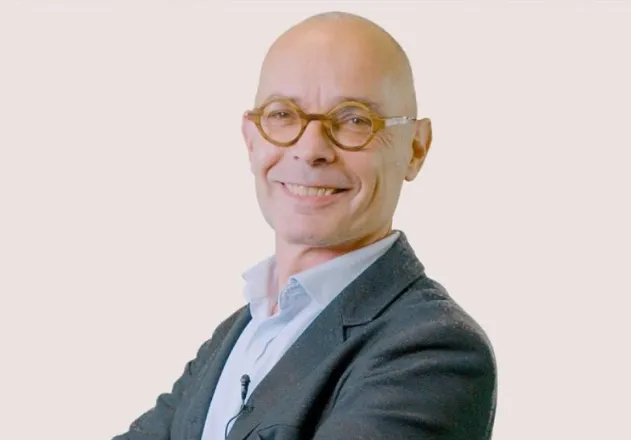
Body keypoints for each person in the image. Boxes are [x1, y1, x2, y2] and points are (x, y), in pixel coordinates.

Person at [113, 11, 497, 440]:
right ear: (251, 139)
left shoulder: (433, 352)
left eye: (354, 119)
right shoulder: (241, 332)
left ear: (416, 148)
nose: (311, 149)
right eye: (283, 114)